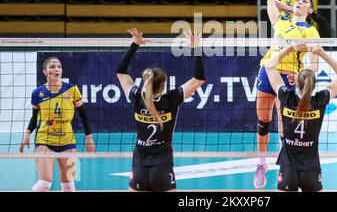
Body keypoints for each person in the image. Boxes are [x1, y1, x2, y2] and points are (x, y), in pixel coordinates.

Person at [116, 28, 205, 192]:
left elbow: (120, 72)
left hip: (139, 166)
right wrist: (196, 48)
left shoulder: (136, 97)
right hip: (162, 168)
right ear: (163, 85)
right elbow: (199, 78)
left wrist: (135, 44)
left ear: (145, 82)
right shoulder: (171, 100)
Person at [254, 0, 323, 189]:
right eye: (297, 0)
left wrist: (301, 74)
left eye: (304, 2)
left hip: (290, 77)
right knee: (263, 121)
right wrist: (291, 9)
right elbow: (269, 1)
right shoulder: (280, 21)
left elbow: (315, 64)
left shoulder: (311, 31)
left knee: (286, 127)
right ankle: (261, 163)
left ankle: (287, 165)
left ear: (310, 10)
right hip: (268, 71)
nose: (299, 3)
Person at [264, 43, 337, 192]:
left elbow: (269, 66)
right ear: (314, 85)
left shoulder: (286, 97)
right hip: (311, 165)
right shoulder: (320, 100)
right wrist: (322, 54)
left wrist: (290, 48)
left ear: (296, 82)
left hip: (288, 165)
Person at [20, 56, 95, 192]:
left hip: (67, 141)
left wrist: (88, 137)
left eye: (59, 66)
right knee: (44, 184)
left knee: (69, 186)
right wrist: (27, 134)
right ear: (45, 71)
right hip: (44, 140)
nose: (57, 69)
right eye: (53, 67)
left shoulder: (72, 89)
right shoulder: (37, 93)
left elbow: (83, 114)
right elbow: (34, 117)